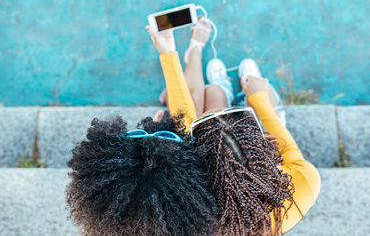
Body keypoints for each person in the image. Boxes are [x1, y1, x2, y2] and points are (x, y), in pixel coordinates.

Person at [66, 16, 320, 236]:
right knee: (214, 105)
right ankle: (237, 96)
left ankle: (218, 87)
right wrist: (259, 100)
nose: (153, 123)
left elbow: (184, 126)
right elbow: (295, 162)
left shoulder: (181, 207)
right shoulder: (290, 196)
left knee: (212, 100)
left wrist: (169, 55)